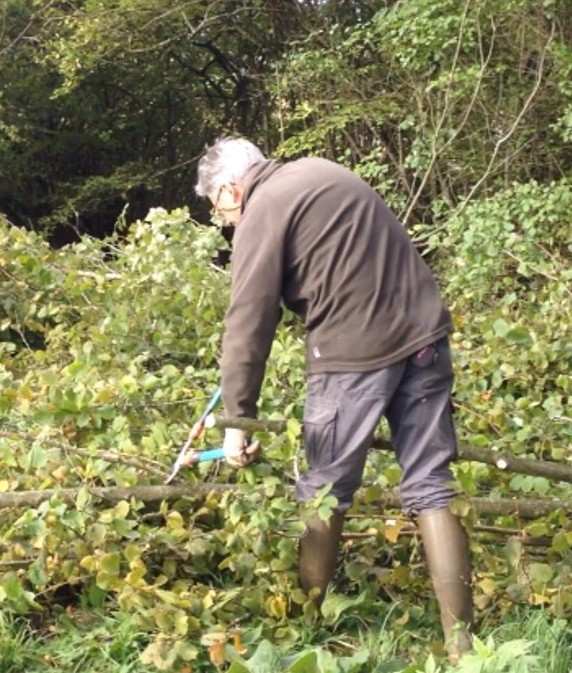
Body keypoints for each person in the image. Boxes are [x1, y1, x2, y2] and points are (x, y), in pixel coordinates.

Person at [195, 137, 474, 661]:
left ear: (231, 189)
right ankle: (463, 647)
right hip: (425, 338)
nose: (228, 222)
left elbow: (248, 321)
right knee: (433, 483)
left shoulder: (263, 209)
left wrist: (238, 420)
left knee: (324, 487)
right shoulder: (322, 171)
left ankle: (305, 629)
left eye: (221, 211)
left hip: (353, 356)